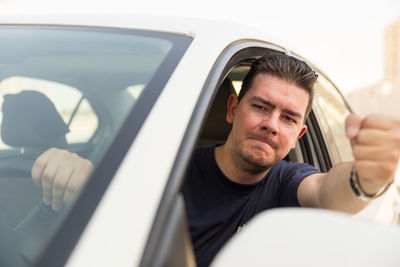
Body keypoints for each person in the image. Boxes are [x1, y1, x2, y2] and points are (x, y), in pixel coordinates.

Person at [30, 54, 400, 266]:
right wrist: (88, 179)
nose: (272, 125)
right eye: (260, 106)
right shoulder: (168, 169)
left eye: (288, 118)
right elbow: (124, 195)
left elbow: (326, 191)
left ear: (298, 136)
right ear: (232, 108)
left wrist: (367, 179)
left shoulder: (290, 181)